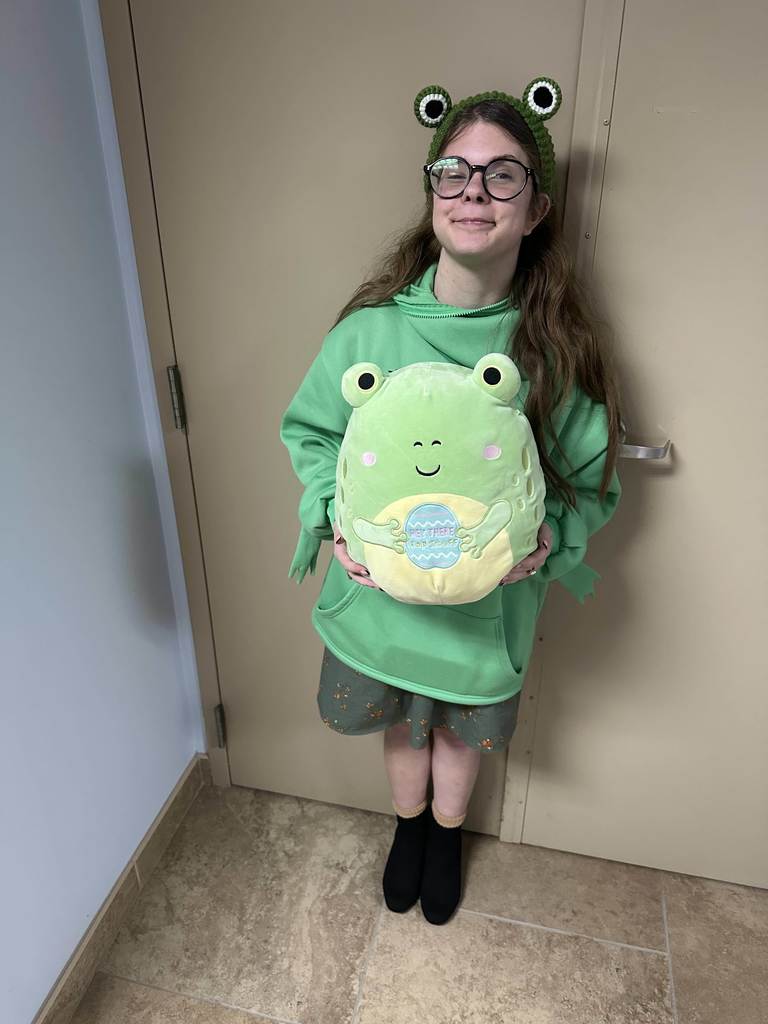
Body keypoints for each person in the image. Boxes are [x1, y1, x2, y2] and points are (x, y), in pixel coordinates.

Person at [279, 81, 623, 926]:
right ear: (432, 190)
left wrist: (552, 539)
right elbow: (313, 433)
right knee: (402, 718)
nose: (473, 192)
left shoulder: (554, 347)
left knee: (462, 729)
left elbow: (589, 477)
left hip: (487, 606)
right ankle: (407, 830)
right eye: (453, 172)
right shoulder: (369, 332)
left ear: (536, 206)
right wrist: (336, 516)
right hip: (381, 599)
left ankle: (445, 834)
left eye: (501, 176)